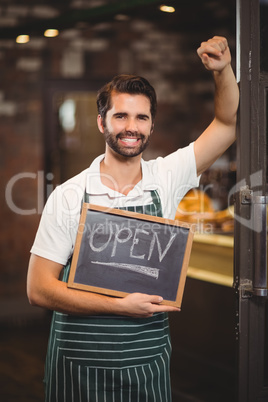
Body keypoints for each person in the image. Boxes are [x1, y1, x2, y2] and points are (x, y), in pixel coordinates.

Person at [27, 36, 239, 402]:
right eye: (120, 115)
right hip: (78, 367)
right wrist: (119, 306)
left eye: (142, 117)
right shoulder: (69, 195)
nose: (132, 126)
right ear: (101, 122)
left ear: (152, 125)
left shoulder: (167, 177)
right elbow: (38, 288)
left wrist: (223, 71)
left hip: (146, 364)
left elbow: (227, 122)